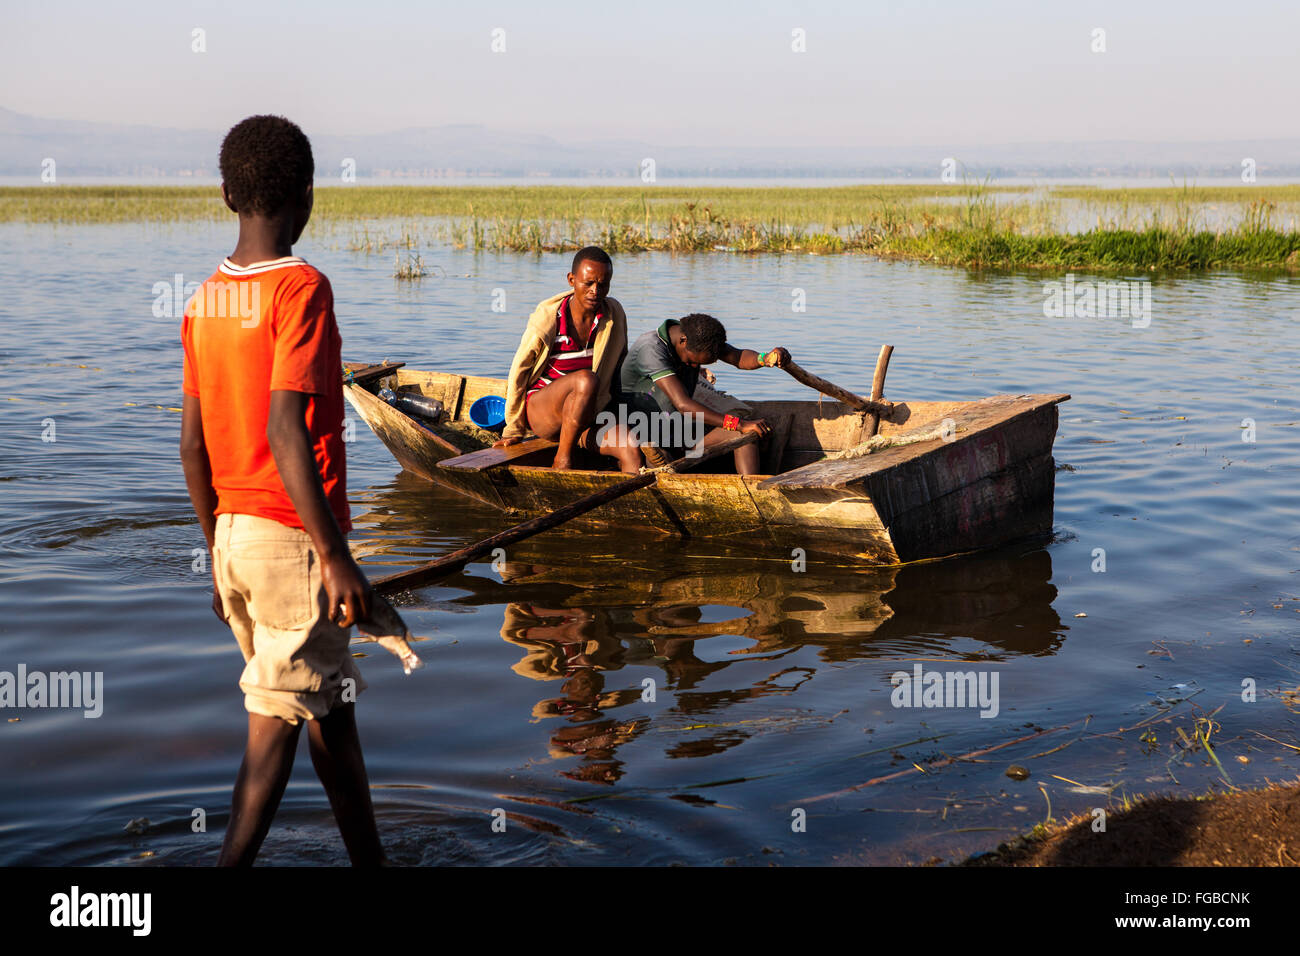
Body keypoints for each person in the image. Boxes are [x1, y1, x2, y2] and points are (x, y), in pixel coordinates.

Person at [179, 115, 384, 866]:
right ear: (307, 196)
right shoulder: (301, 289)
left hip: (235, 537)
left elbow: (193, 448)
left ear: (228, 192)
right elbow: (286, 431)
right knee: (273, 733)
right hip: (295, 542)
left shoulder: (206, 300)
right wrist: (333, 555)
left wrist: (215, 553)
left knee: (330, 707)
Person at [494, 247, 642, 473]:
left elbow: (622, 363)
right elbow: (518, 373)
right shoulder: (549, 318)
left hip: (587, 413)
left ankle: (632, 504)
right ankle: (562, 460)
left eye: (603, 284)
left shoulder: (613, 314)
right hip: (543, 412)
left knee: (631, 447)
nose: (595, 291)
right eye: (588, 283)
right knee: (585, 380)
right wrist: (513, 429)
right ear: (572, 280)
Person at [619, 313, 791, 476]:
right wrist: (739, 423)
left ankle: (754, 494)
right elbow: (683, 405)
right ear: (683, 342)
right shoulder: (651, 350)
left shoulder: (701, 338)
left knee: (745, 436)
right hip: (643, 435)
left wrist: (765, 358)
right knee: (660, 463)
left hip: (679, 429)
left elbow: (737, 356)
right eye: (692, 362)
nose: (695, 368)